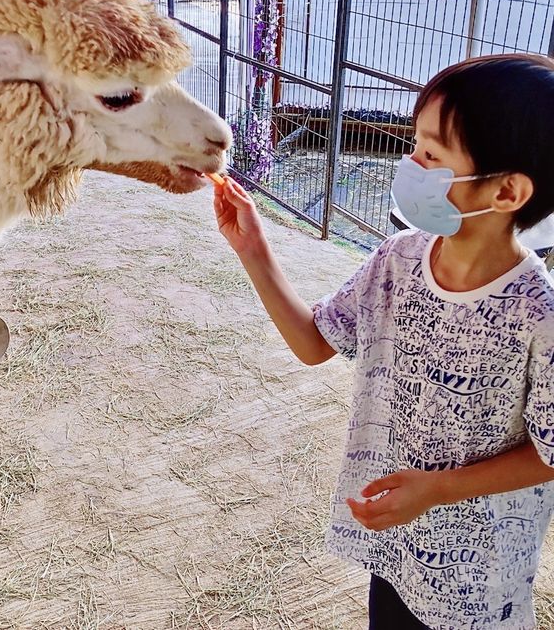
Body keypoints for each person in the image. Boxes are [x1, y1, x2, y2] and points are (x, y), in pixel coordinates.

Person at [213, 53, 554, 630]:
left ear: (506, 192)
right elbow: (315, 342)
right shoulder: (397, 259)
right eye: (414, 142)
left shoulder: (538, 314)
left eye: (431, 153)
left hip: (476, 580)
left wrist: (439, 489)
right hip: (395, 543)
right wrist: (253, 251)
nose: (409, 163)